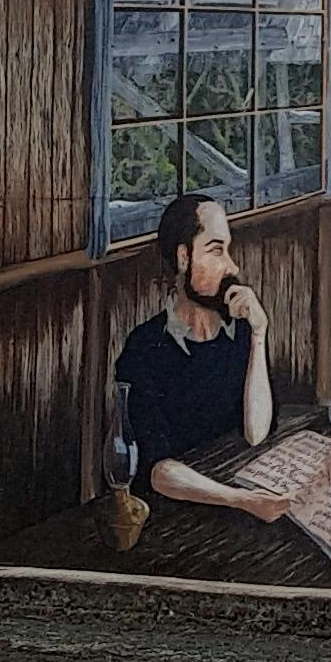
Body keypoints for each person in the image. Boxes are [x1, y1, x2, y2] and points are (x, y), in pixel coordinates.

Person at [113, 194, 288, 519]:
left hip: (237, 494)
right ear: (183, 258)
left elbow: (257, 432)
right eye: (216, 249)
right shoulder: (144, 349)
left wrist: (260, 335)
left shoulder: (239, 333)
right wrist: (241, 500)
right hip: (172, 514)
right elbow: (157, 471)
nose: (232, 266)